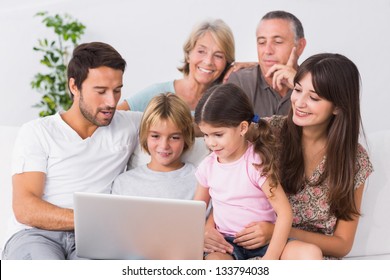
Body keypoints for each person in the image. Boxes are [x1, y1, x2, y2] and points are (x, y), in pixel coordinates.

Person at [205, 53, 374, 259]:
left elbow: (342, 244)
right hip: (243, 243)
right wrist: (208, 227)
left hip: (301, 254)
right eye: (297, 90)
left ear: (338, 106)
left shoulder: (355, 160)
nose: (299, 103)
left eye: (313, 97)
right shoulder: (268, 131)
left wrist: (275, 231)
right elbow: (225, 172)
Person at [2, 42, 143, 260]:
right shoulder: (38, 132)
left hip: (94, 238)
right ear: (74, 86)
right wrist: (92, 218)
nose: (111, 102)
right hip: (36, 235)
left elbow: (192, 124)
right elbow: (25, 208)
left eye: (117, 90)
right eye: (101, 91)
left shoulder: (129, 125)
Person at [193, 83, 322, 260]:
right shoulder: (207, 167)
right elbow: (194, 212)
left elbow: (284, 213)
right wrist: (203, 233)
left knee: (311, 253)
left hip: (265, 243)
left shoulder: (256, 162)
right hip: (225, 245)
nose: (211, 143)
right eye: (206, 135)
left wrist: (270, 259)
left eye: (218, 134)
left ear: (243, 128)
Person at [117, 19, 235, 113]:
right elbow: (116, 118)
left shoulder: (226, 102)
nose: (209, 61)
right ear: (188, 54)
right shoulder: (157, 93)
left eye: (218, 56)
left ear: (227, 62)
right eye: (201, 51)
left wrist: (251, 66)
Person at [112, 93, 197, 200]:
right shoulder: (124, 183)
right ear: (145, 135)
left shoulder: (200, 180)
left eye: (174, 137)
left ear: (186, 138)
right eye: (155, 136)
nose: (164, 145)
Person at [227, 10, 306, 117]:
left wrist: (300, 86)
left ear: (300, 46)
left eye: (278, 42)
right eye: (262, 42)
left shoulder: (317, 84)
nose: (267, 50)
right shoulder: (241, 82)